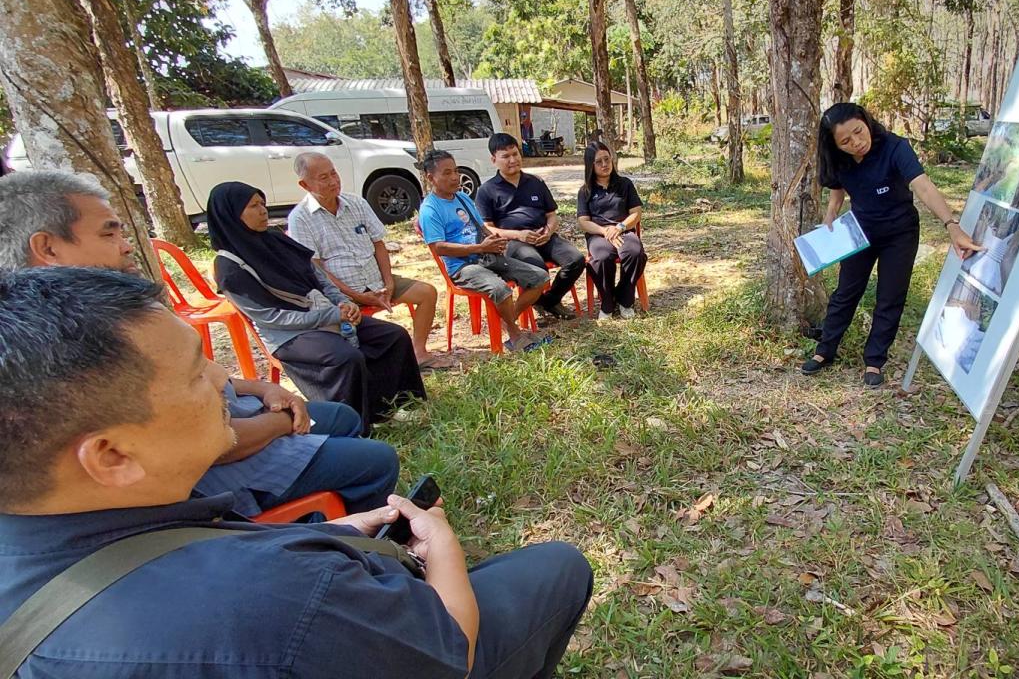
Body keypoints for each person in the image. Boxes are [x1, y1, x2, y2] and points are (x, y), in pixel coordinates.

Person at [0, 267, 594, 677]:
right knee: (556, 567)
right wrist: (442, 549)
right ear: (112, 456)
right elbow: (450, 649)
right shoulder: (276, 595)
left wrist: (333, 532)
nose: (220, 381)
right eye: (193, 372)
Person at [0, 170, 401, 517]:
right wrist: (282, 423)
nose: (126, 244)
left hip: (238, 419)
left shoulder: (103, 311)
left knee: (343, 417)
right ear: (48, 248)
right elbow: (214, 443)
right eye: (109, 232)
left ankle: (322, 510)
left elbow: (211, 378)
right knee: (374, 456)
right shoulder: (81, 343)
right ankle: (340, 542)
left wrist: (262, 387)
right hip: (218, 462)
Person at [208, 181, 426, 428]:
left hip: (324, 312)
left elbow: (318, 276)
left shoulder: (275, 239)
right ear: (231, 215)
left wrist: (344, 302)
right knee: (345, 357)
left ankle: (393, 407)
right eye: (253, 206)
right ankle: (354, 423)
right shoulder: (229, 268)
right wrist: (332, 315)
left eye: (263, 203)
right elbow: (272, 318)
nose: (263, 211)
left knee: (392, 335)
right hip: (290, 335)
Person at [801, 103, 982, 386]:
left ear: (866, 121)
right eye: (845, 141)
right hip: (859, 232)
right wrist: (831, 214)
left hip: (900, 233)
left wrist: (952, 226)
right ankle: (826, 350)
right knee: (846, 291)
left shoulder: (895, 147)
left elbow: (923, 186)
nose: (856, 143)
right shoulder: (839, 159)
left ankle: (874, 360)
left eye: (858, 132)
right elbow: (838, 187)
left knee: (890, 296)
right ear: (836, 145)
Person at [287, 152, 456, 370]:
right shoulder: (299, 218)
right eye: (324, 178)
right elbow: (317, 269)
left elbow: (379, 244)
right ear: (305, 184)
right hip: (341, 292)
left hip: (376, 279)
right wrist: (356, 296)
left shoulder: (356, 202)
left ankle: (419, 351)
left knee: (427, 292)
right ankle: (368, 365)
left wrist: (389, 283)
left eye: (334, 173)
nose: (333, 181)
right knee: (345, 322)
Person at [418, 149, 550, 352]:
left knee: (540, 277)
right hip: (462, 266)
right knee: (500, 289)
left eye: (455, 171)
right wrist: (479, 247)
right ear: (430, 177)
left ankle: (508, 320)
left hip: (486, 256)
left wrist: (495, 240)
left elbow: (481, 227)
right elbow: (439, 247)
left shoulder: (462, 198)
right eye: (446, 173)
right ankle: (515, 336)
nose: (455, 177)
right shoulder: (430, 209)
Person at [474, 132, 585, 321]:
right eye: (505, 156)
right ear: (494, 159)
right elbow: (487, 228)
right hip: (513, 242)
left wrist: (549, 231)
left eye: (515, 154)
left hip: (543, 236)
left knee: (576, 259)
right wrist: (518, 235)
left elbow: (552, 216)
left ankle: (548, 301)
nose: (512, 160)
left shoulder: (536, 182)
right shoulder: (487, 190)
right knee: (536, 267)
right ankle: (533, 306)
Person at [576, 141, 647, 319]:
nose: (604, 165)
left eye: (607, 159)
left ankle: (625, 299)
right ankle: (607, 302)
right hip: (598, 234)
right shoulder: (585, 191)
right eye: (598, 162)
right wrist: (604, 231)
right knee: (601, 257)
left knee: (634, 252)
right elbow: (584, 222)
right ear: (590, 166)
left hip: (623, 231)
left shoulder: (625, 184)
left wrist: (620, 227)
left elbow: (636, 213)